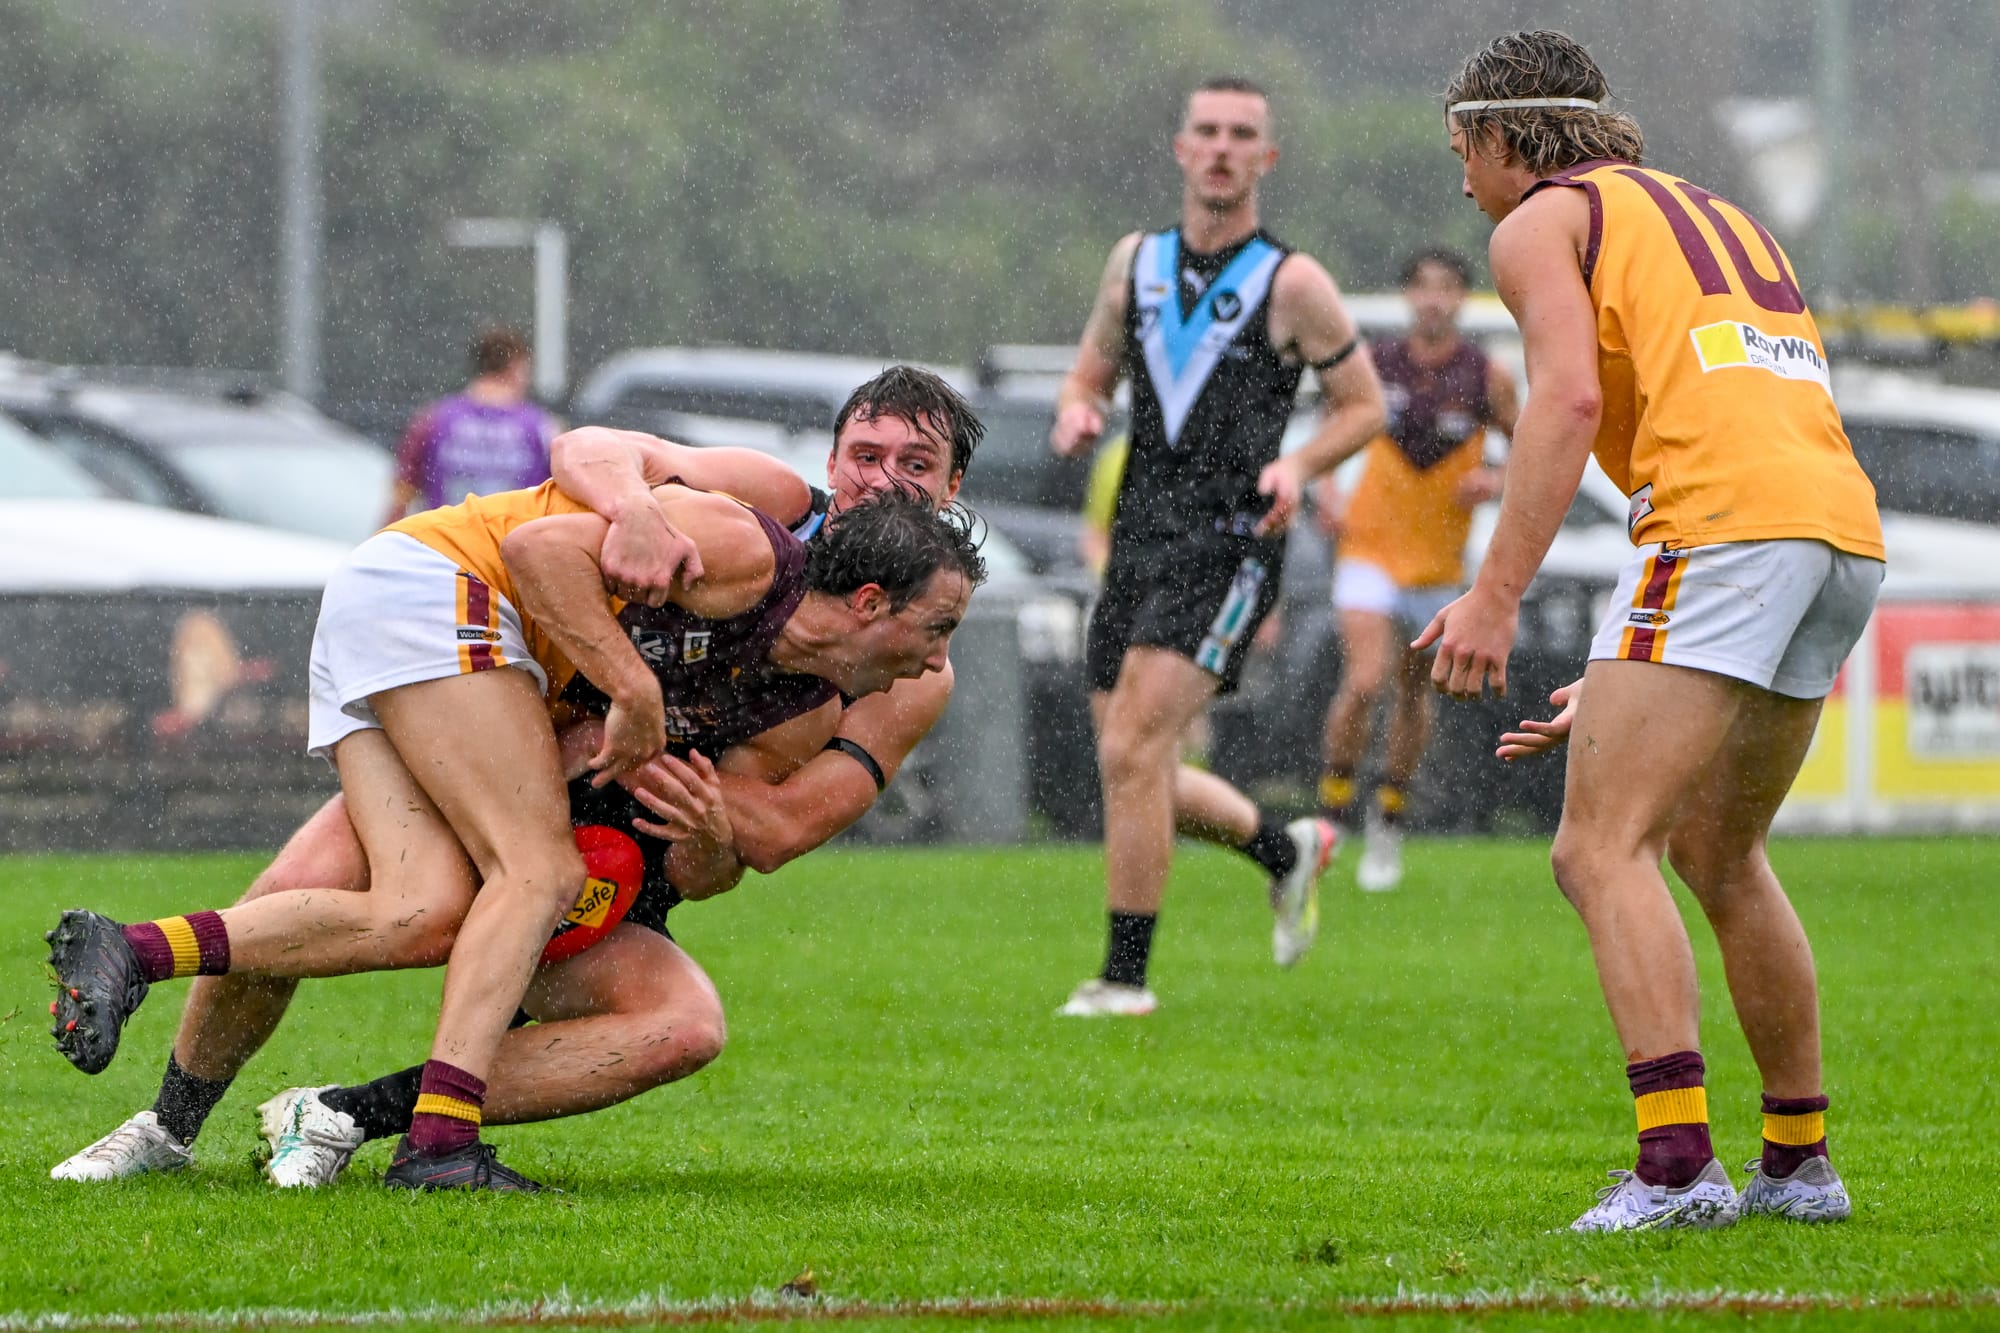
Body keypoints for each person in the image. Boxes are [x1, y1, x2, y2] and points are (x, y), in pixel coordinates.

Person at [49, 369, 988, 1187]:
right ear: (832, 463)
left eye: (915, 465)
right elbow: (586, 457)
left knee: (667, 1015)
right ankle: (172, 1125)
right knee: (321, 890)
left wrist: (685, 793)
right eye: (868, 453)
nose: (885, 479)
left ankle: (345, 1111)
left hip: (606, 823)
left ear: (952, 489)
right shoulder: (761, 522)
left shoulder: (895, 667)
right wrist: (631, 533)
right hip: (487, 670)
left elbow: (765, 837)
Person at [1418, 30, 1884, 1231]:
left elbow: (1567, 399)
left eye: (1460, 147)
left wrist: (1494, 592)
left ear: (1503, 136)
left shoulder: (1538, 220)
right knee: (1717, 856)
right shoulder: (1709, 208)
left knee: (1595, 848)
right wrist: (1640, 673)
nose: (1460, 178)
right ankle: (1796, 1162)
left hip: (1720, 533)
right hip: (1832, 531)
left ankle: (1675, 1166)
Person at [1048, 76, 1386, 1016]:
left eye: (1244, 134)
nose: (1225, 147)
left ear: (1266, 158)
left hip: (1234, 540)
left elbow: (1366, 406)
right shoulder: (1136, 262)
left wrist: (1301, 465)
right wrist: (1078, 411)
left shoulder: (1293, 282)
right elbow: (1090, 371)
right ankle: (1285, 850)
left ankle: (1124, 979)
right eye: (1209, 131)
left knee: (1133, 749)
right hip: (1140, 537)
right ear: (1181, 149)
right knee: (1131, 759)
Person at [1315, 248, 1518, 890]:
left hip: (1436, 563)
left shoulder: (1486, 375)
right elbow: (1327, 428)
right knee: (1365, 679)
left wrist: (1497, 479)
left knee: (1411, 691)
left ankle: (1388, 815)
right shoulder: (1375, 366)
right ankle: (1331, 810)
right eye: (1424, 289)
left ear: (1463, 299)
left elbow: (1536, 447)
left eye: (1448, 289)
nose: (1435, 300)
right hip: (1368, 547)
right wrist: (1325, 490)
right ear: (1408, 297)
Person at [384, 326, 559, 525]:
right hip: (512, 548)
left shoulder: (434, 420)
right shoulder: (542, 428)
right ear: (516, 367)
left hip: (445, 546)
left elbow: (400, 497)